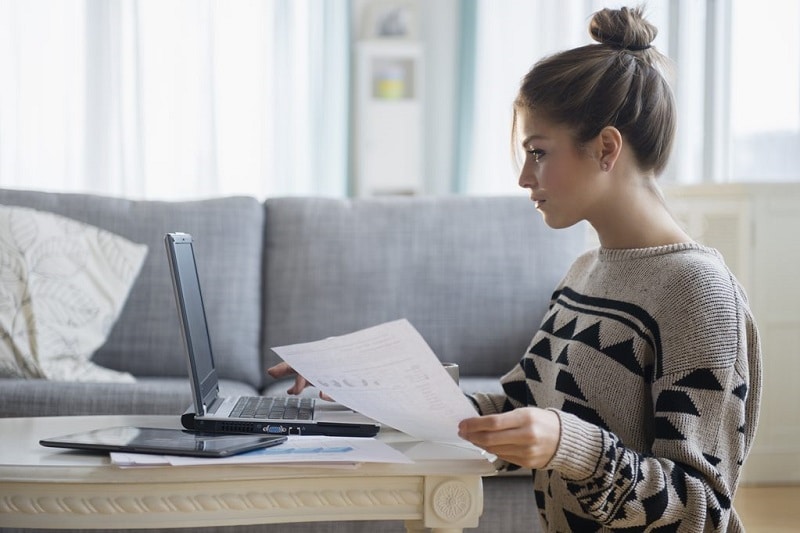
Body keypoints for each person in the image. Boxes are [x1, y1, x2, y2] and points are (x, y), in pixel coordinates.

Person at [268, 5, 762, 531]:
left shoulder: (697, 294)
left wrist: (569, 445)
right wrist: (367, 389)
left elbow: (702, 512)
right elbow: (519, 407)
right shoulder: (584, 272)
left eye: (538, 152)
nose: (526, 176)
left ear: (606, 148)